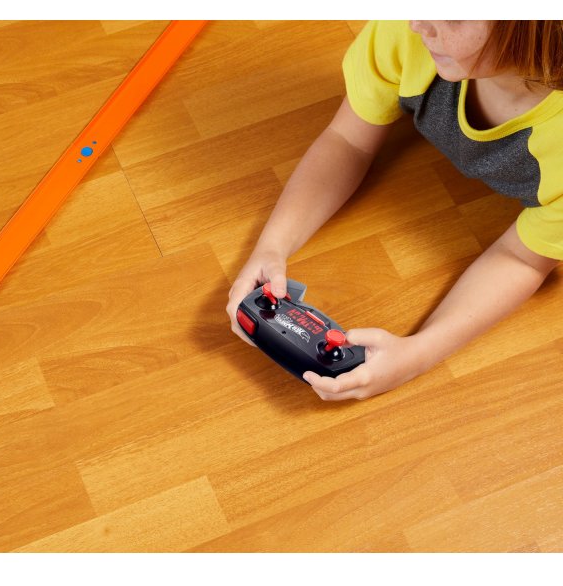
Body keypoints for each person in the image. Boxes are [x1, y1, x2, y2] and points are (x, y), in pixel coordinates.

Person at [226, 20, 563, 401]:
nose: (417, 22)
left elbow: (521, 259)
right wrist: (272, 247)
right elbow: (347, 139)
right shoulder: (407, 29)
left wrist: (418, 353)